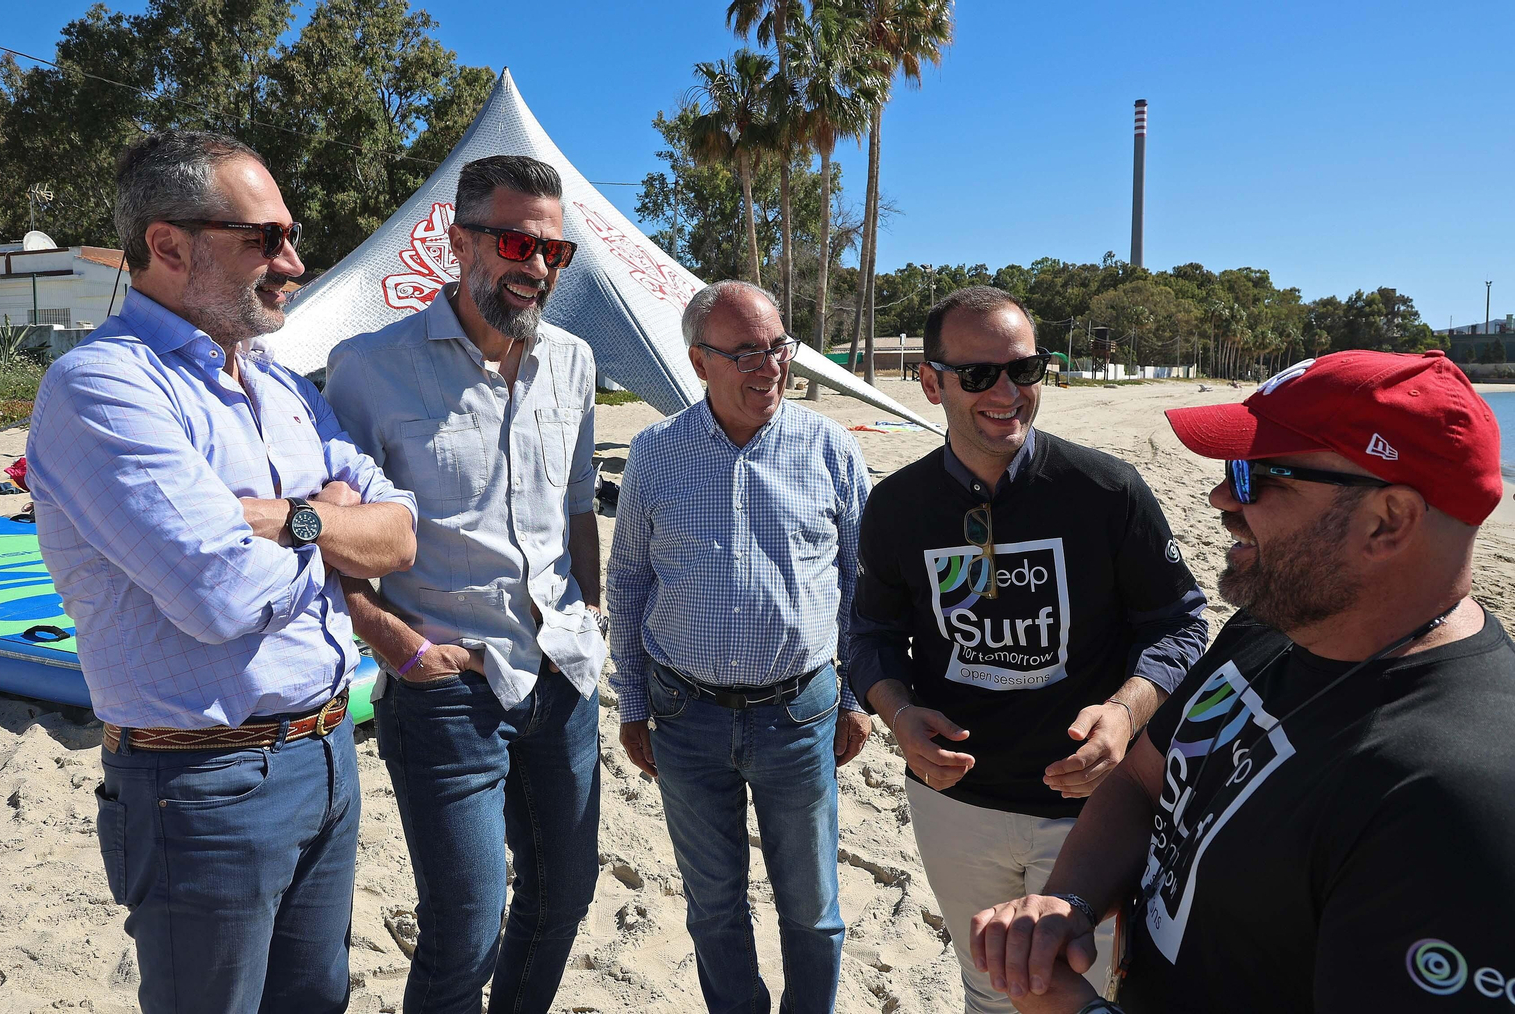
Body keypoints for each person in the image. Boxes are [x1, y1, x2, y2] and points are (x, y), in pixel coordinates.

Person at [969, 350, 1515, 1014]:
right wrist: (1072, 900)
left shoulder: (1454, 798)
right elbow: (1145, 780)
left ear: (1389, 521)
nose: (1222, 498)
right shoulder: (1274, 623)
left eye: (1258, 477)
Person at [25, 130, 418, 1014]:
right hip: (201, 790)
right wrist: (334, 528)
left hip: (325, 760)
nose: (295, 260)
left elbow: (401, 533)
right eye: (265, 238)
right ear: (168, 244)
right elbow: (221, 597)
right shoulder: (103, 389)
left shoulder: (281, 386)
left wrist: (285, 519)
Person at [845, 286, 1208, 1014]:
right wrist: (898, 713)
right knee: (987, 987)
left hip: (1091, 813)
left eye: (1027, 368)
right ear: (931, 380)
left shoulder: (1107, 490)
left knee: (1075, 989)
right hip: (955, 805)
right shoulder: (898, 506)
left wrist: (1123, 711)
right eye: (979, 375)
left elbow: (1179, 623)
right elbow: (870, 634)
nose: (1008, 392)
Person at [323, 154, 605, 1014]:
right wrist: (397, 644)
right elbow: (334, 537)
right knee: (468, 924)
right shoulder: (367, 367)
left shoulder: (574, 361)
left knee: (564, 902)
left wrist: (586, 616)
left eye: (554, 252)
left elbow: (578, 507)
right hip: (447, 684)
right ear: (459, 243)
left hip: (562, 674)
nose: (536, 267)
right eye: (517, 242)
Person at [609, 280, 874, 1014]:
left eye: (778, 346)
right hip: (683, 714)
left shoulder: (830, 448)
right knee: (714, 907)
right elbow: (629, 582)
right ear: (699, 362)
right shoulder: (655, 453)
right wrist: (633, 705)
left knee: (813, 912)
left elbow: (863, 584)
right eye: (746, 352)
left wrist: (857, 697)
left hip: (802, 713)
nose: (770, 367)